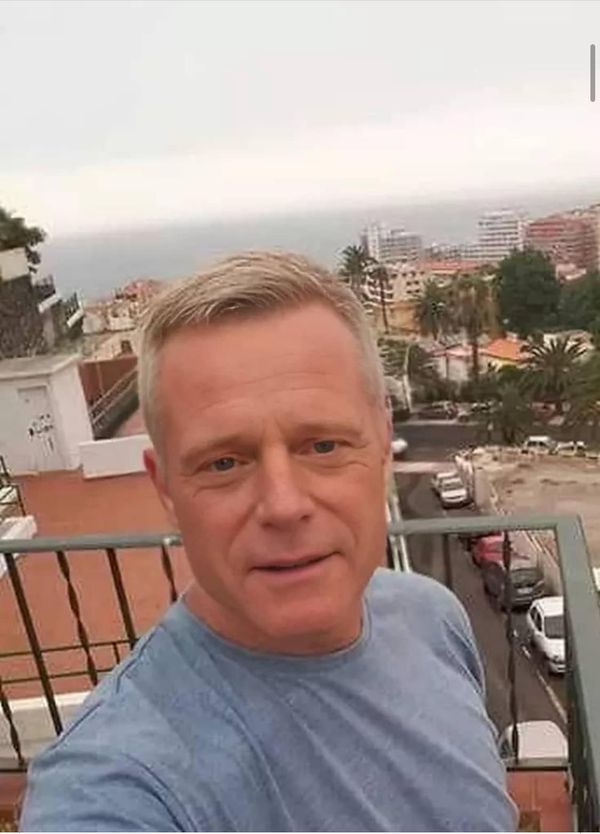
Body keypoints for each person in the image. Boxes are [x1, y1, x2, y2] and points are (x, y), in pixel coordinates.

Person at [21, 251, 516, 831]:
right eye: (224, 462)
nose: (283, 505)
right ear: (167, 489)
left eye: (323, 446)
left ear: (383, 445)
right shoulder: (119, 784)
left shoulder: (433, 619)